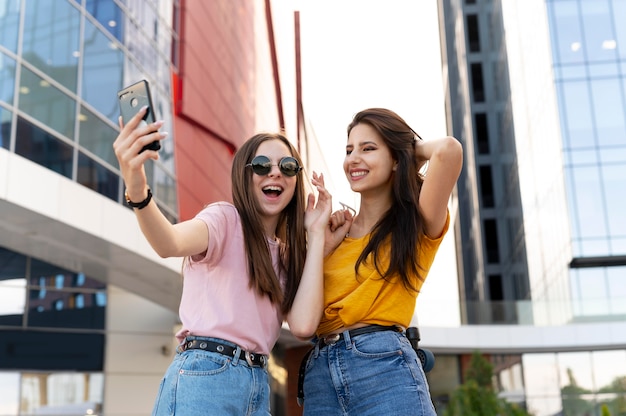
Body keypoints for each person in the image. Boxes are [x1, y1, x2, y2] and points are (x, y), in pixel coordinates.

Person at [113, 106, 331, 415]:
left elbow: (304, 325)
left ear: (296, 179)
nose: (274, 172)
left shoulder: (288, 254)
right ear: (245, 175)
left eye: (287, 165)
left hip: (257, 384)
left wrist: (318, 232)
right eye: (261, 165)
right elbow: (169, 242)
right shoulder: (225, 219)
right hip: (206, 375)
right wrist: (137, 189)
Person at [299, 108, 463, 415]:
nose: (353, 159)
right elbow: (297, 313)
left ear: (396, 160)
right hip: (319, 375)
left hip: (384, 369)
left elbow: (449, 150)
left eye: (368, 148)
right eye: (349, 150)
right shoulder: (333, 232)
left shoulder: (413, 226)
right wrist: (318, 241)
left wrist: (406, 153)